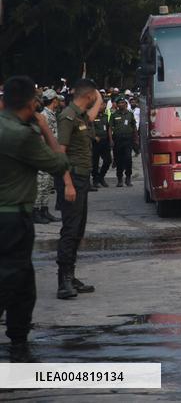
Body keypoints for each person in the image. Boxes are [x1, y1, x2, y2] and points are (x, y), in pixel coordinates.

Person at [0, 76, 71, 352]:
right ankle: (18, 342)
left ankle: (19, 342)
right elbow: (58, 163)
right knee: (12, 281)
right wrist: (45, 129)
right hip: (12, 219)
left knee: (23, 281)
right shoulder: (22, 135)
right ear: (32, 103)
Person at [55, 78, 102, 300]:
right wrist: (67, 184)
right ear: (88, 95)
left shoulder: (81, 116)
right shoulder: (68, 117)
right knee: (70, 229)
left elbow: (94, 112)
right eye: (94, 94)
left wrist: (97, 93)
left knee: (78, 229)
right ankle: (63, 281)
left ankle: (70, 276)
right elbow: (60, 152)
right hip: (72, 178)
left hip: (81, 179)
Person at [33, 89, 62, 223]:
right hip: (44, 154)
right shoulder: (44, 115)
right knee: (41, 184)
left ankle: (44, 209)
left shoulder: (52, 114)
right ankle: (36, 211)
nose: (59, 102)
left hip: (50, 154)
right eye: (57, 99)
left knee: (48, 184)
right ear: (54, 100)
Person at [110, 97, 138, 187]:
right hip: (117, 140)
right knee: (119, 160)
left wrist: (136, 139)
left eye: (123, 103)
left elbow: (134, 127)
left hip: (128, 140)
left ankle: (128, 178)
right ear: (117, 105)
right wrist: (111, 140)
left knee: (128, 159)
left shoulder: (130, 114)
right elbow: (110, 128)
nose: (121, 104)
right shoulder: (114, 115)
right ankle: (119, 179)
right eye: (119, 103)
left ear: (126, 104)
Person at [89, 95, 112, 190]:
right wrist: (94, 136)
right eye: (101, 104)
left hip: (105, 141)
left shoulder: (106, 116)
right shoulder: (91, 116)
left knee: (108, 160)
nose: (103, 106)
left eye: (104, 104)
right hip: (95, 142)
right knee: (95, 162)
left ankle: (101, 176)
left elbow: (109, 128)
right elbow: (88, 127)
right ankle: (95, 180)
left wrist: (111, 140)